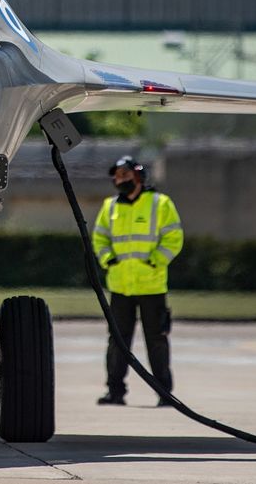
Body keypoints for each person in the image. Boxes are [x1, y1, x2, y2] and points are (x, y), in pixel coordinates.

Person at [91, 155, 183, 406]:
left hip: (152, 285)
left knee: (157, 341)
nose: (119, 179)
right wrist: (108, 260)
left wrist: (155, 262)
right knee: (117, 340)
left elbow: (173, 238)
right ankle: (115, 391)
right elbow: (99, 239)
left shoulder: (160, 203)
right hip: (120, 286)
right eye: (117, 175)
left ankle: (165, 394)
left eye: (125, 174)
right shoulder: (110, 207)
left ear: (138, 176)